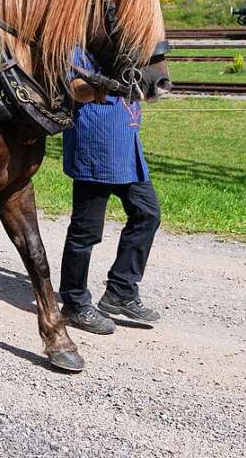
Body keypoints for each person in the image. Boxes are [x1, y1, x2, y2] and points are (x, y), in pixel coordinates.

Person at [59, 48, 162, 335]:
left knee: (147, 214)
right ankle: (74, 303)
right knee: (86, 231)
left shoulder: (123, 49)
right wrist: (101, 86)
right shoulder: (79, 48)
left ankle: (121, 290)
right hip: (96, 146)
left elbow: (146, 84)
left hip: (127, 147)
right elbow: (74, 88)